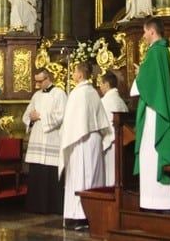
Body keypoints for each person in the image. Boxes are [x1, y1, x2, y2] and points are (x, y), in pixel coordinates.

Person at [131, 18, 170, 212]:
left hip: (155, 112)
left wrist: (140, 74)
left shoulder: (154, 53)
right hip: (165, 109)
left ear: (152, 32)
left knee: (152, 153)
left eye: (145, 32)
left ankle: (156, 202)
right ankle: (169, 202)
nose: (143, 36)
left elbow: (144, 86)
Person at [58, 61, 113, 230]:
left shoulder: (77, 94)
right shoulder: (94, 92)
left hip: (80, 140)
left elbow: (70, 124)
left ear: (80, 75)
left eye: (74, 72)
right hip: (94, 139)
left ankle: (79, 216)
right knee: (93, 177)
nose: (73, 75)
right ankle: (93, 214)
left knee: (80, 177)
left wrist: (64, 136)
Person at [22, 69, 66, 214]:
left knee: (50, 173)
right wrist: (31, 118)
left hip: (52, 137)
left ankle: (52, 207)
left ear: (48, 79)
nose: (38, 84)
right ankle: (36, 206)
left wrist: (41, 117)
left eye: (40, 81)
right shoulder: (36, 95)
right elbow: (27, 115)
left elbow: (61, 116)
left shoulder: (59, 94)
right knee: (37, 173)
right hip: (37, 137)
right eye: (36, 81)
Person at [99, 71, 129, 187]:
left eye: (101, 84)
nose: (100, 87)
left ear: (107, 84)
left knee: (109, 179)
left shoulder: (104, 102)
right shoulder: (121, 102)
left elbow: (101, 125)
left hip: (110, 145)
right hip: (122, 144)